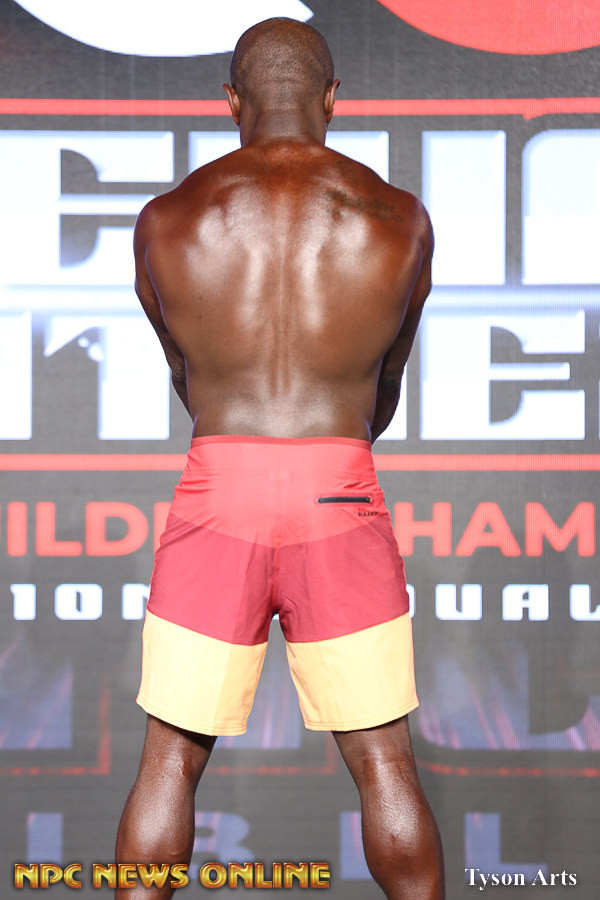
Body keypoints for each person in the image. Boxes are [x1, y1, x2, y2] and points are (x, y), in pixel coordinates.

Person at [116, 16, 444, 899]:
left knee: (167, 760)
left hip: (220, 485)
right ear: (333, 98)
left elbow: (186, 376)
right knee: (385, 762)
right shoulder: (400, 218)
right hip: (338, 484)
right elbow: (385, 387)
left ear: (232, 102)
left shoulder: (167, 220)